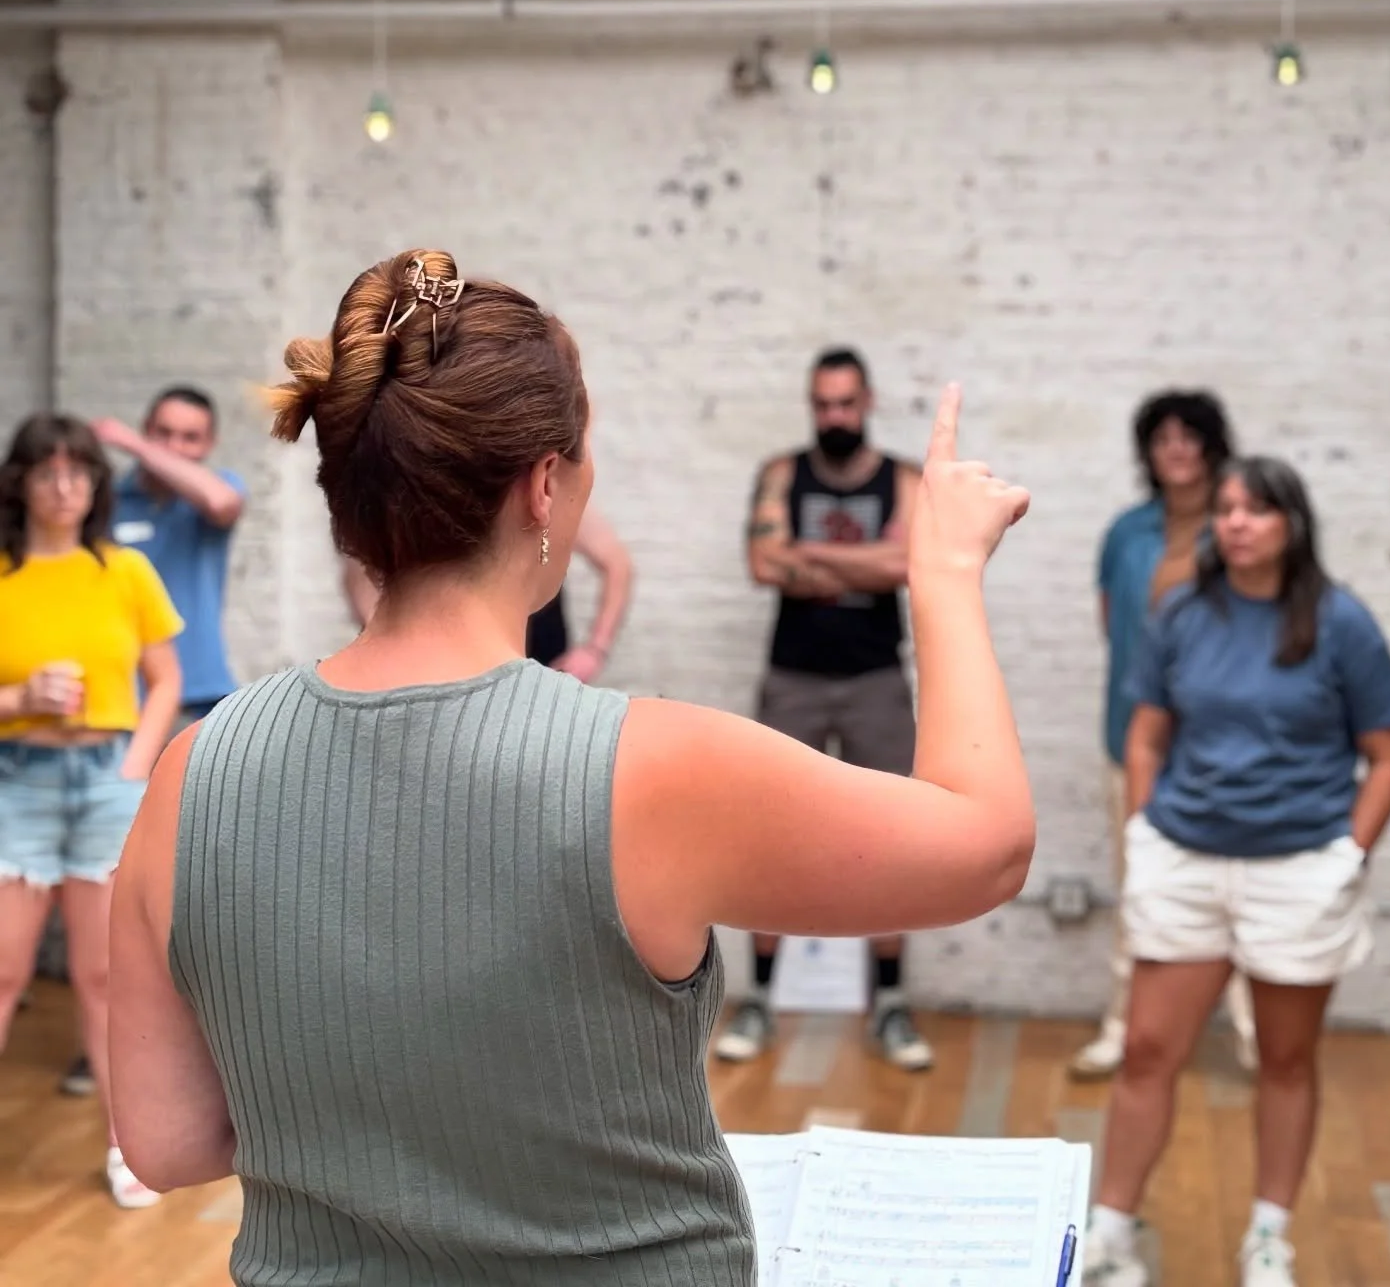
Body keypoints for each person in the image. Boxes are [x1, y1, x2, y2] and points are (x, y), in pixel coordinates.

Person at [109, 249, 1034, 1284]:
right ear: (544, 484)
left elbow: (166, 1142)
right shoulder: (648, 766)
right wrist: (943, 571)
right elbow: (986, 845)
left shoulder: (192, 773)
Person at [1082, 457, 1390, 1287]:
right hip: (1186, 861)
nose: (1234, 522)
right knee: (1149, 1051)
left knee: (1286, 1061)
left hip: (1298, 873)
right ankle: (1110, 1236)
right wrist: (1146, 832)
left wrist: (1348, 855)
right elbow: (1146, 734)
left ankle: (1269, 1239)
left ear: (1291, 525)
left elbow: (1388, 756)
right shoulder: (1183, 612)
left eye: (1255, 510)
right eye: (1225, 509)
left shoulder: (1342, 623)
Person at [715, 347, 930, 1071]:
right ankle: (762, 999)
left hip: (876, 679)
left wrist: (808, 554)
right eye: (822, 404)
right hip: (794, 679)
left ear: (867, 402)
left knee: (895, 838)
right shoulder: (783, 474)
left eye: (845, 403)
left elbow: (909, 566)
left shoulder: (902, 479)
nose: (834, 416)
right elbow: (760, 564)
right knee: (768, 836)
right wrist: (865, 557)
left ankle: (892, 1004)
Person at [0, 413, 182, 1210]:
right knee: (3, 972)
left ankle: (127, 1147)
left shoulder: (126, 570)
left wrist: (135, 764)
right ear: (22, 483)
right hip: (19, 780)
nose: (65, 486)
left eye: (79, 472)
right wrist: (19, 698)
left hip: (109, 781)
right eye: (48, 471)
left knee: (105, 977)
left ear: (97, 485)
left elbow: (166, 680)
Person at [1071, 389, 1257, 1080]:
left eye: (1190, 437)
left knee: (1242, 891)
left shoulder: (1244, 529)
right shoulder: (1128, 533)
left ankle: (1255, 1036)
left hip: (1225, 747)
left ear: (1213, 445)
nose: (1176, 450)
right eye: (1162, 439)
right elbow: (1113, 624)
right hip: (1133, 740)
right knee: (1140, 890)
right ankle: (1123, 1030)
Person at [342, 505, 633, 683]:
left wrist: (595, 649)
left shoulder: (550, 500)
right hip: (442, 670)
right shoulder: (418, 490)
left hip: (542, 664)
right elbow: (359, 567)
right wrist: (384, 643)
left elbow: (617, 565)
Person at [98, 386, 246, 725]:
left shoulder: (220, 487)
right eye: (162, 433)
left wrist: (136, 445)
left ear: (210, 445)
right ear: (146, 427)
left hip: (199, 693)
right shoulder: (108, 501)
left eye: (190, 438)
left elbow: (220, 504)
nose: (174, 447)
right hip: (122, 696)